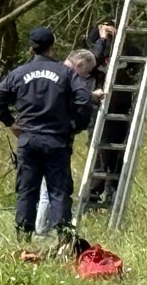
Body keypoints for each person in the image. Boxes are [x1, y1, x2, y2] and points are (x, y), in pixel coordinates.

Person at [0, 28, 92, 239]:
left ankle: (23, 239)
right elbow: (84, 98)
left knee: (27, 191)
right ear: (52, 47)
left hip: (28, 140)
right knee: (59, 191)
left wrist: (11, 123)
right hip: (57, 140)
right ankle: (63, 239)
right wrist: (75, 125)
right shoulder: (66, 73)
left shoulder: (18, 73)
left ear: (31, 48)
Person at [34, 49, 101, 234]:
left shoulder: (50, 72)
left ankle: (45, 226)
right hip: (53, 136)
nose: (85, 76)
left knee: (51, 185)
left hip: (35, 134)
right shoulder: (65, 77)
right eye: (86, 71)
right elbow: (68, 101)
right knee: (51, 186)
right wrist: (91, 97)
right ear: (79, 65)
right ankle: (41, 230)